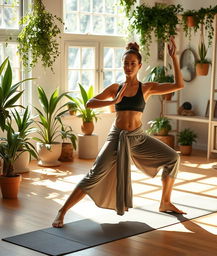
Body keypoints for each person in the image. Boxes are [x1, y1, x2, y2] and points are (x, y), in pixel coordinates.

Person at [52, 37, 185, 228]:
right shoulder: (115, 88)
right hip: (117, 138)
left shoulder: (146, 88)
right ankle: (62, 211)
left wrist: (174, 57)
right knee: (93, 175)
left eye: (132, 63)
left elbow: (178, 85)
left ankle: (165, 202)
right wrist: (113, 102)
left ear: (139, 65)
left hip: (138, 138)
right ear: (122, 65)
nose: (129, 67)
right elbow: (90, 103)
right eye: (126, 63)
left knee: (173, 158)